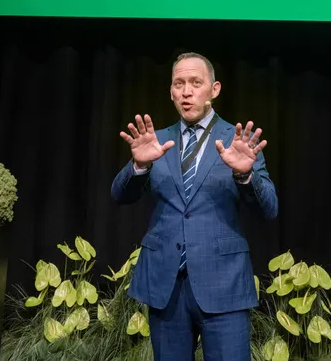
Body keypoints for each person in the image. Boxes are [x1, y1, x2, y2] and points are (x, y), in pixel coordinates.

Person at [111, 52, 278, 361]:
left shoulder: (238, 141)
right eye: (179, 84)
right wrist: (139, 166)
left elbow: (269, 209)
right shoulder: (156, 141)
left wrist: (245, 175)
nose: (186, 91)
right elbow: (120, 196)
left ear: (214, 89)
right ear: (171, 92)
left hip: (224, 284)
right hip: (166, 286)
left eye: (195, 83)